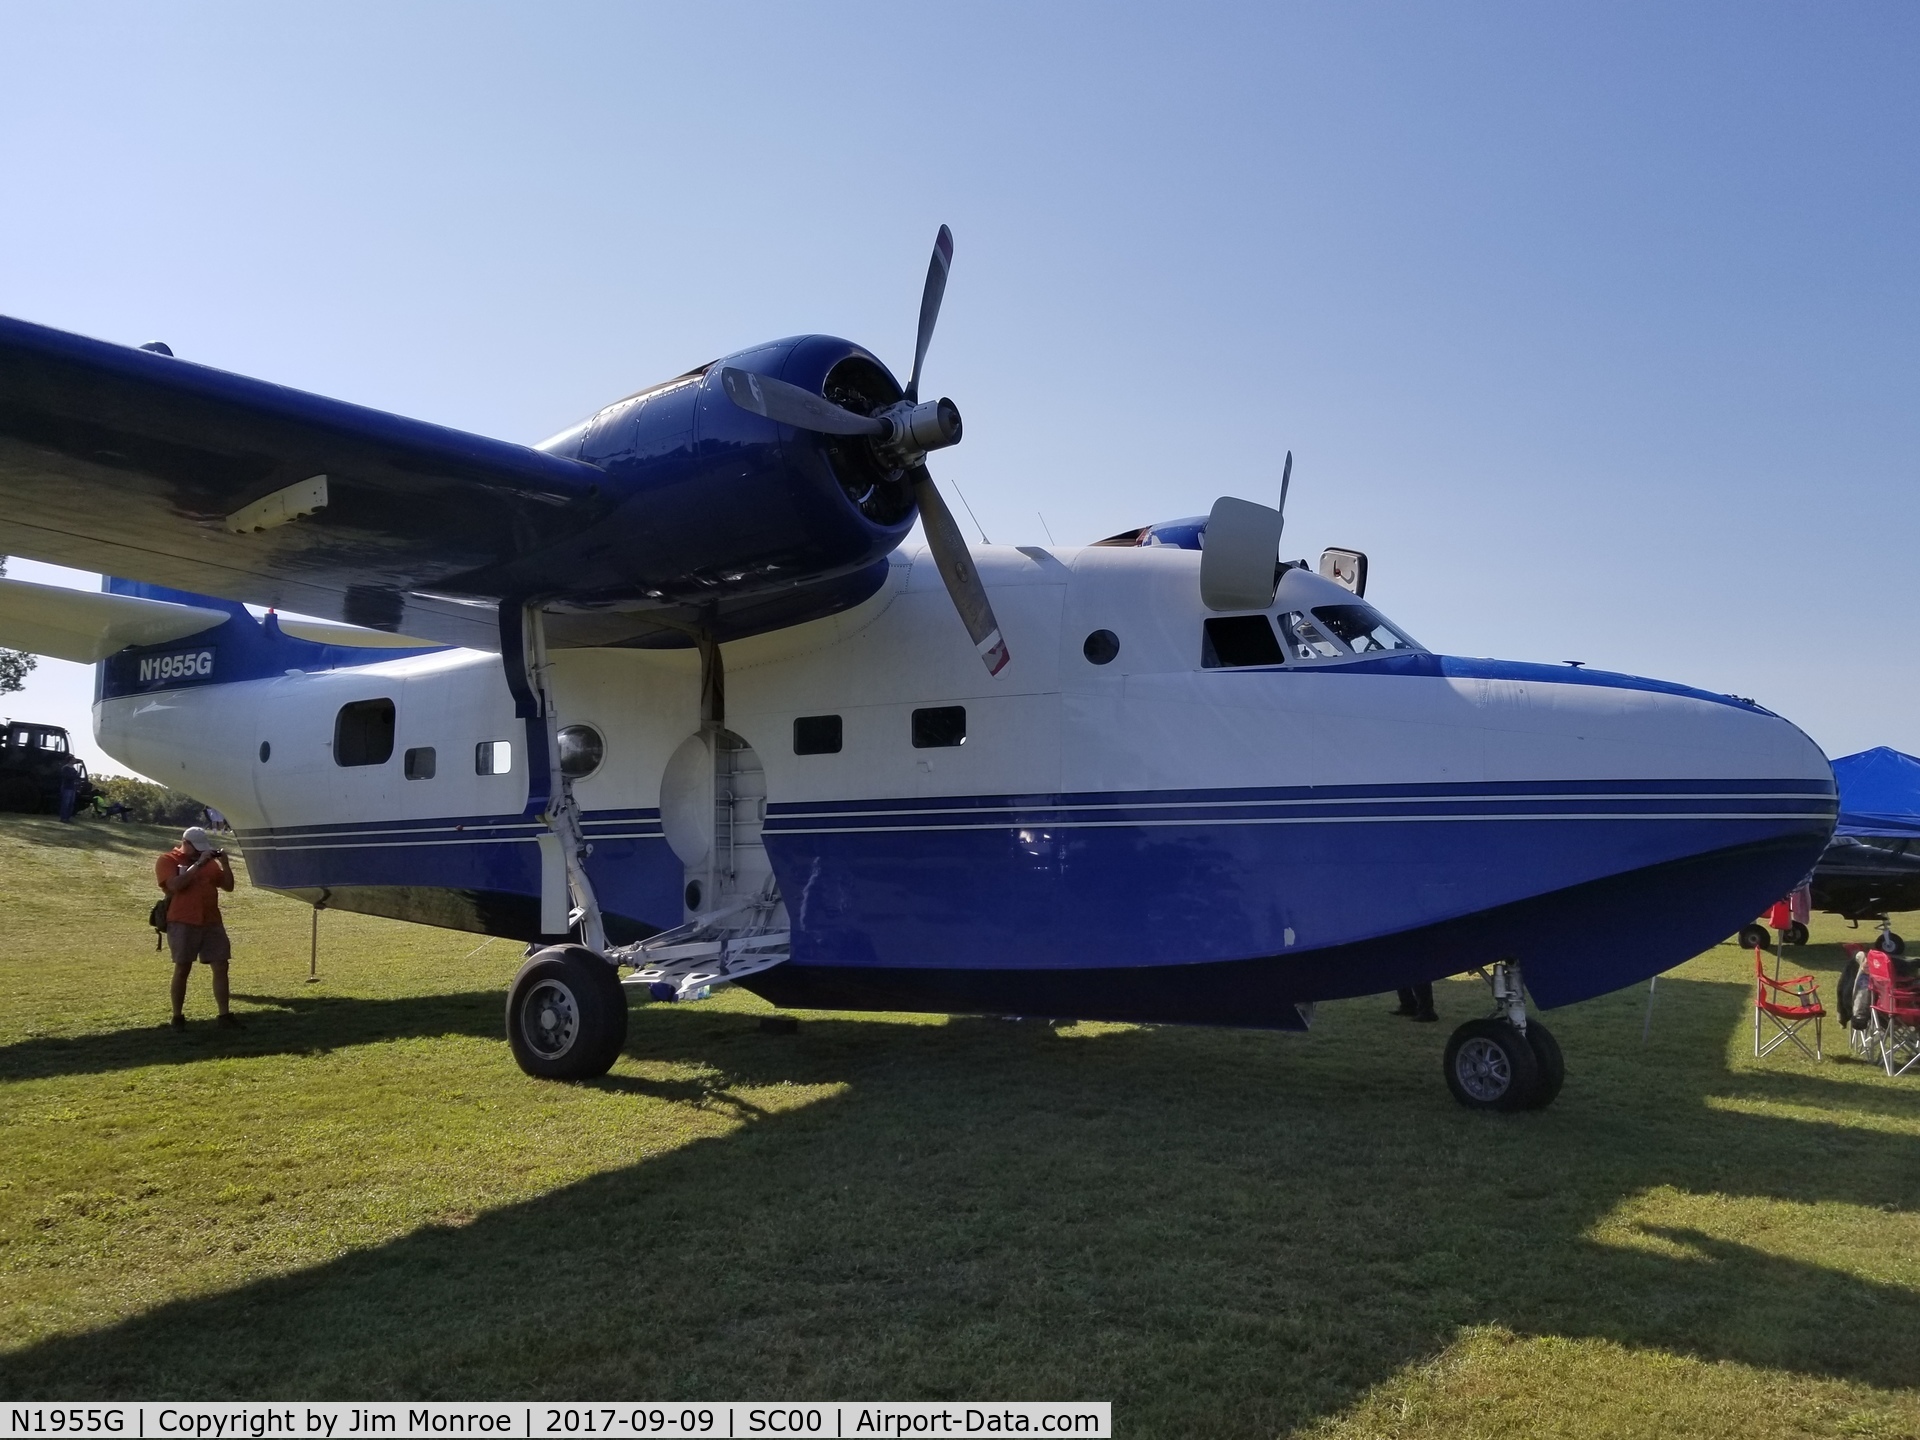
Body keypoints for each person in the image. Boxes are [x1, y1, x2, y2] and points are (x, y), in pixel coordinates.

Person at [157, 826, 239, 1029]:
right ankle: (177, 1016)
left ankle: (224, 1015)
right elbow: (175, 885)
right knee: (183, 967)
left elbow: (228, 886)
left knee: (221, 964)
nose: (200, 853)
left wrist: (225, 864)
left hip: (211, 921)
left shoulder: (210, 864)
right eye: (196, 849)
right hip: (183, 920)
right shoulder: (168, 860)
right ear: (185, 844)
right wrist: (198, 865)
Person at [56, 757, 82, 822]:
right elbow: (67, 777)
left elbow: (77, 777)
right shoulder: (65, 768)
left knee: (71, 803)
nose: (75, 761)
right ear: (70, 760)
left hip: (72, 787)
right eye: (73, 760)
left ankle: (68, 818)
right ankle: (63, 818)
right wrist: (75, 776)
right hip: (66, 787)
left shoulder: (73, 769)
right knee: (65, 803)